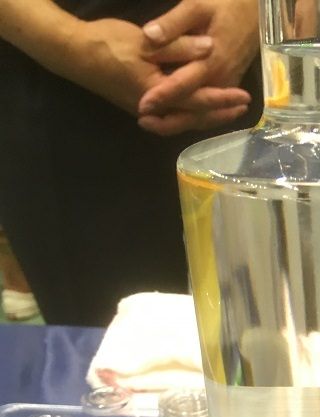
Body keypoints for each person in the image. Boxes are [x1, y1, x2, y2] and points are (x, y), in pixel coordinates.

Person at [0, 0, 262, 327]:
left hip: (250, 68)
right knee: (121, 341)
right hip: (64, 88)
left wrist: (254, 10)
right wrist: (71, 41)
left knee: (279, 331)